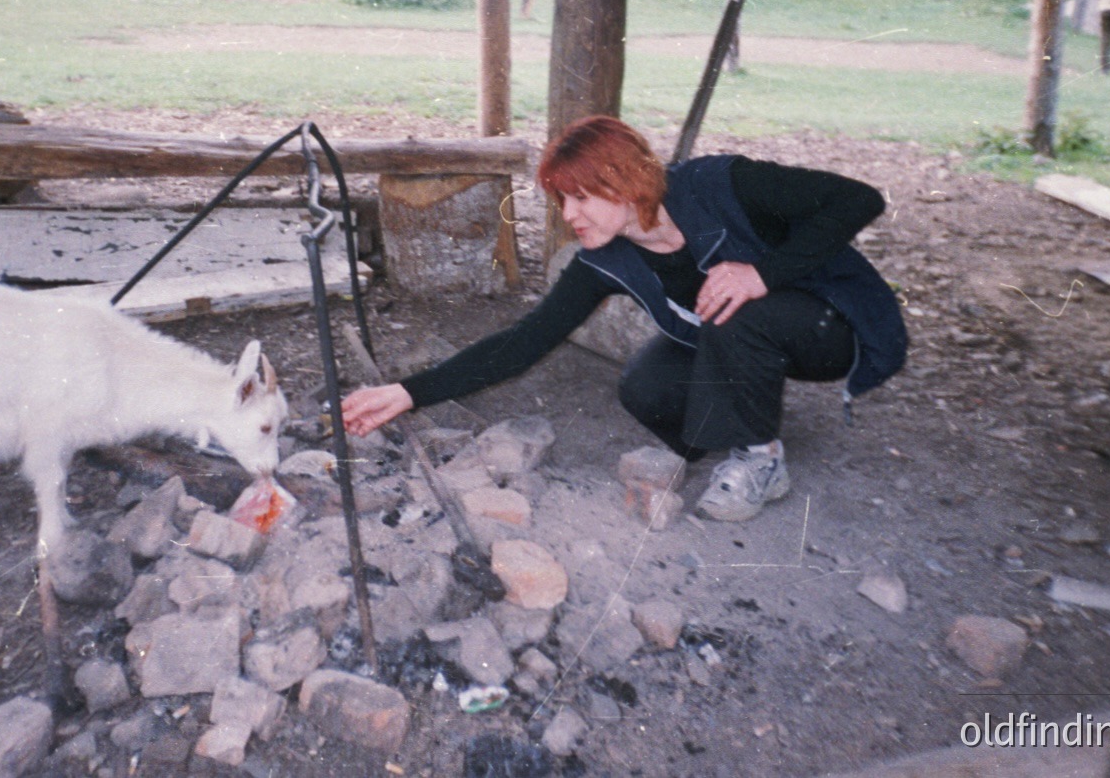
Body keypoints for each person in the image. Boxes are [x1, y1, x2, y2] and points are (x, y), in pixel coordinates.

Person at [342, 116, 907, 522]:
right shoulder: (605, 260)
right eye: (561, 202)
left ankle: (761, 462)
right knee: (645, 385)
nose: (568, 217)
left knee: (736, 303)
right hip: (742, 334)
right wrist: (408, 392)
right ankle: (745, 429)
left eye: (579, 198)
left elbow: (858, 199)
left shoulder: (721, 185)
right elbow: (525, 341)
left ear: (622, 182)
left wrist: (763, 273)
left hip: (834, 327)